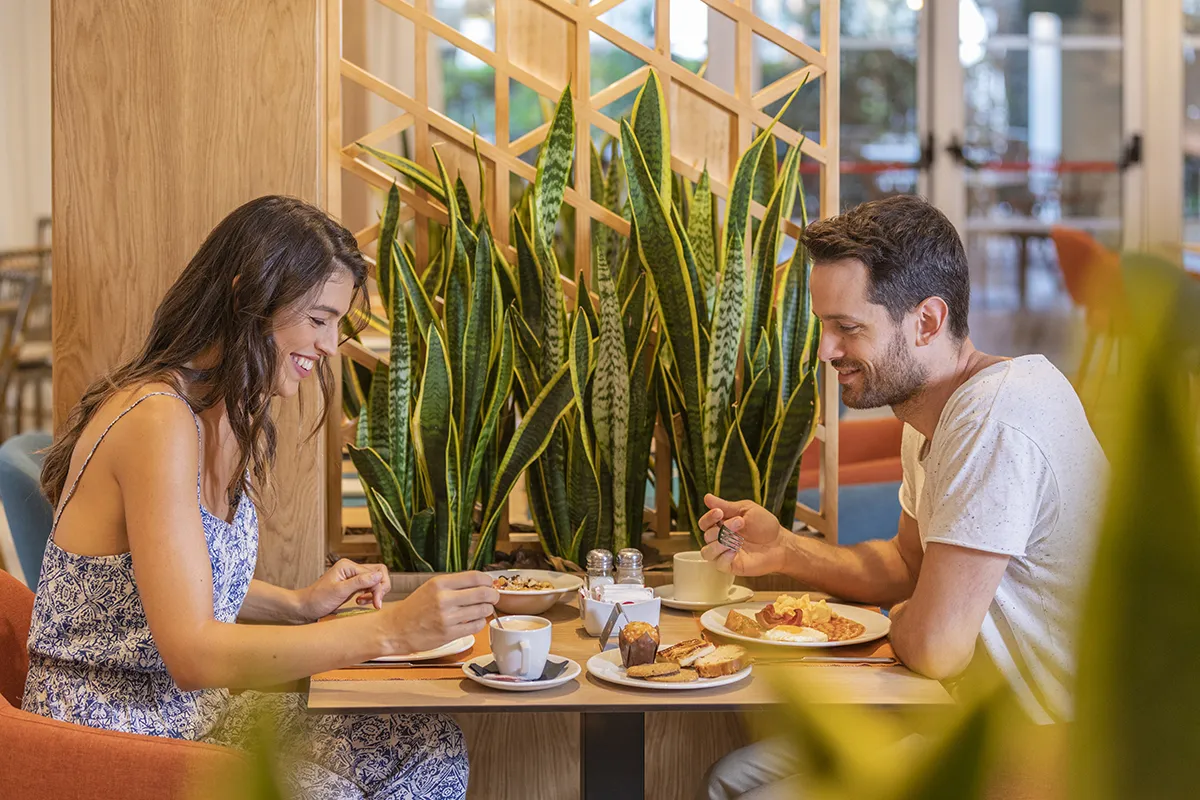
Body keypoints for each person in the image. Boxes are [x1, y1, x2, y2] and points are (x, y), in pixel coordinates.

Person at [22, 196, 498, 799]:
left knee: (427, 746)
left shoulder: (227, 411)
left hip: (191, 714)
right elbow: (192, 650)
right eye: (319, 320)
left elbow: (179, 578)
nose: (330, 347)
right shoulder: (156, 419)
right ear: (249, 294)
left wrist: (299, 604)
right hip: (110, 735)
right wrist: (393, 631)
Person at [701, 195, 1108, 799]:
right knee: (733, 780)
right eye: (823, 326)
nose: (825, 351)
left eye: (848, 327)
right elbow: (907, 565)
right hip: (986, 723)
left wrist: (910, 617)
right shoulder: (933, 417)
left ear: (926, 321)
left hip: (1064, 752)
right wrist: (784, 549)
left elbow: (938, 646)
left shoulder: (993, 419)